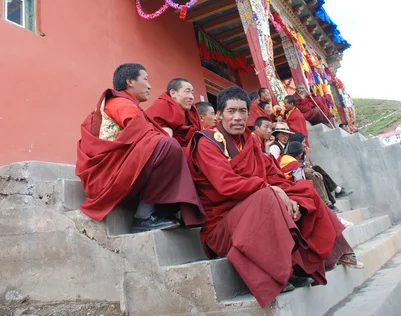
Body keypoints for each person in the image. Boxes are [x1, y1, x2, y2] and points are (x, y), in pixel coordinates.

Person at [187, 86, 361, 308]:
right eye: (231, 112)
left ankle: (324, 256)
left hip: (253, 206)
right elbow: (225, 185)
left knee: (305, 191)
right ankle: (278, 272)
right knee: (267, 196)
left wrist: (289, 196)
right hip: (222, 225)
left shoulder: (249, 142)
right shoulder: (207, 142)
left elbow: (272, 175)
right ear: (219, 115)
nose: (238, 117)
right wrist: (270, 189)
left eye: (243, 111)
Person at [76, 64, 205, 232]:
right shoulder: (121, 103)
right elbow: (145, 138)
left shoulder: (129, 105)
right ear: (130, 81)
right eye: (145, 79)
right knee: (166, 145)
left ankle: (162, 210)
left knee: (167, 146)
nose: (150, 86)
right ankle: (144, 215)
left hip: (120, 167)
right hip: (106, 175)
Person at [292, 132, 353, 205]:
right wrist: (308, 156)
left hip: (305, 172)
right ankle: (335, 193)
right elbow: (301, 166)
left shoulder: (302, 151)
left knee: (318, 172)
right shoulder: (293, 152)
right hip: (299, 176)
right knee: (317, 174)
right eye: (303, 142)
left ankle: (335, 193)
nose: (305, 145)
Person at [146, 78, 202, 148]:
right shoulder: (161, 108)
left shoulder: (192, 112)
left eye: (192, 93)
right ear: (173, 93)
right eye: (187, 92)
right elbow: (164, 144)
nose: (191, 97)